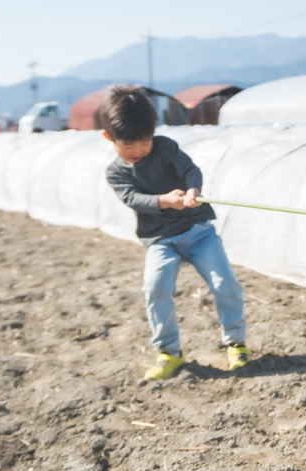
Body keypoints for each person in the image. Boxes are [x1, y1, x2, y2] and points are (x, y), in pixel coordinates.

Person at [101, 85, 249, 379]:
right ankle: (169, 351)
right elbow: (132, 199)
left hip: (198, 231)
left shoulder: (166, 147)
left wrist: (194, 189)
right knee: (155, 288)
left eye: (144, 142)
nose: (138, 151)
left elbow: (191, 171)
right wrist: (163, 201)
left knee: (224, 283)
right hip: (160, 241)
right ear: (109, 138)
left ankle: (236, 342)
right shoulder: (116, 172)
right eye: (129, 146)